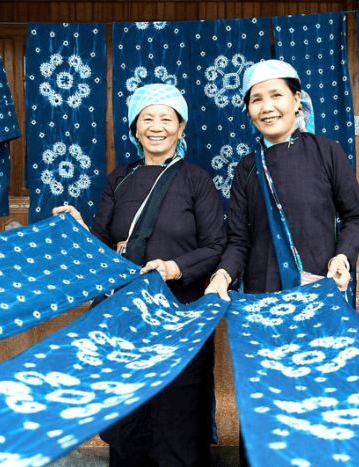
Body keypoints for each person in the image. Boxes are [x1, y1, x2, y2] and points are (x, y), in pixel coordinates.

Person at [53, 83, 225, 467]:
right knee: (129, 413)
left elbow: (217, 245)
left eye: (167, 118)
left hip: (181, 314)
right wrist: (79, 229)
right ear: (134, 128)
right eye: (148, 118)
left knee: (177, 412)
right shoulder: (120, 178)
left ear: (181, 128)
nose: (157, 126)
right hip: (126, 317)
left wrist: (173, 268)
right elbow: (100, 244)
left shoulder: (196, 180)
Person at [205, 58, 359, 300]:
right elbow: (239, 240)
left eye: (276, 95)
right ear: (248, 111)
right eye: (256, 99)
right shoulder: (246, 168)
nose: (267, 107)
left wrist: (342, 257)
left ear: (296, 100)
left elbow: (356, 217)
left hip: (320, 289)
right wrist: (222, 276)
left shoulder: (327, 152)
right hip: (263, 297)